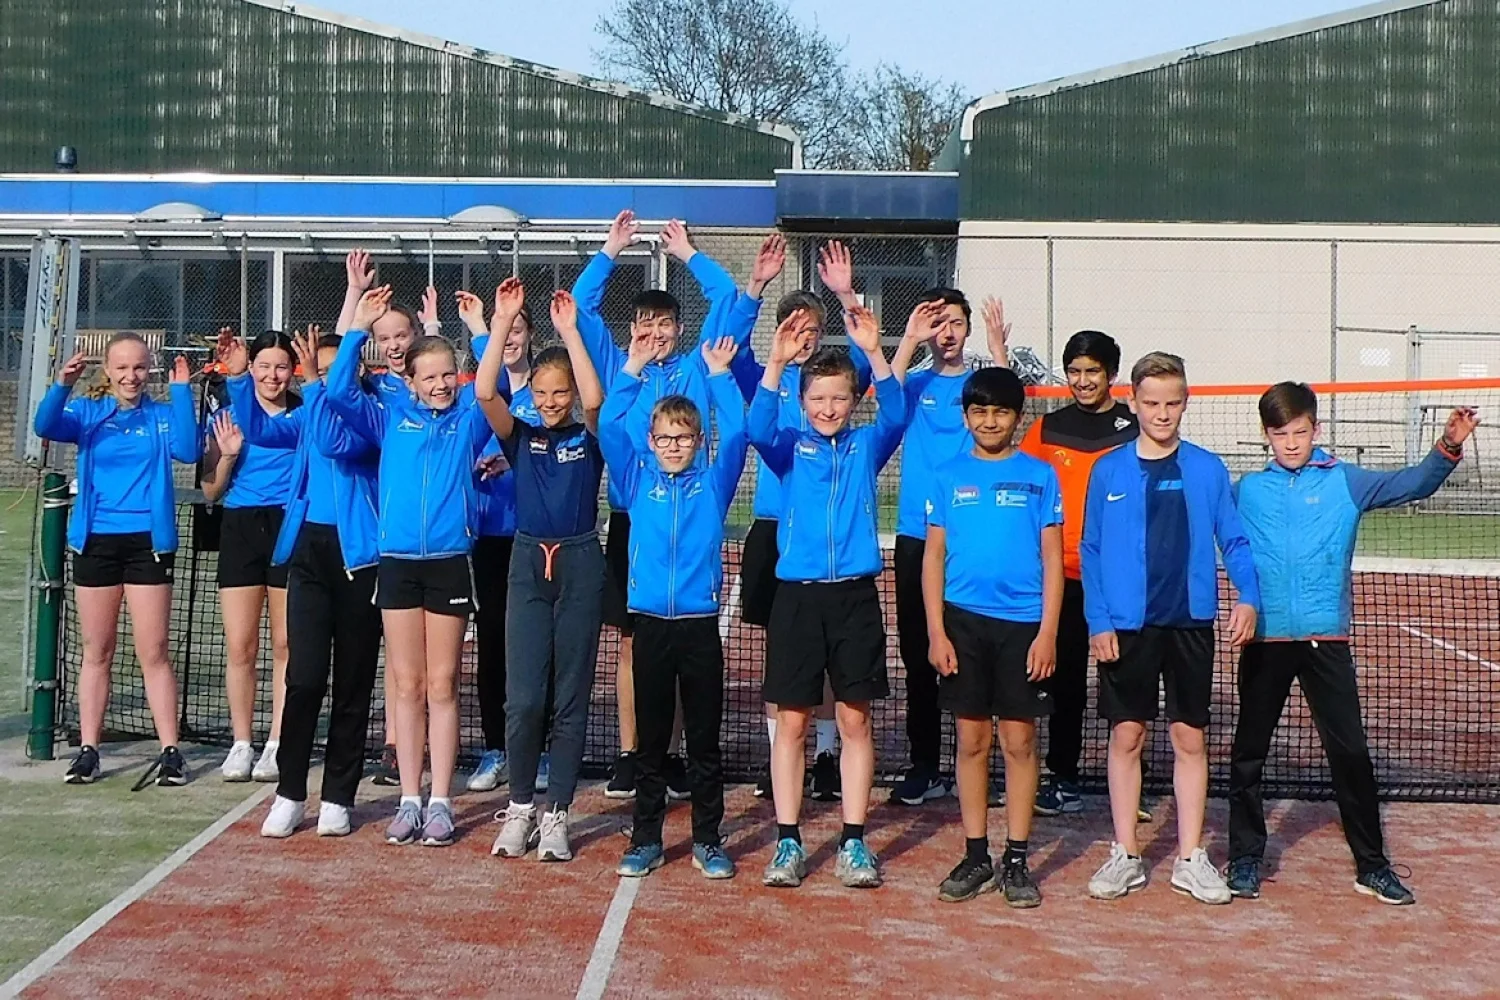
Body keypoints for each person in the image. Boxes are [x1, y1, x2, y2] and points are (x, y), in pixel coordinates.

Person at [1225, 384, 1479, 906]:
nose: (1291, 443)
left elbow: (1411, 484)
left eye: (1299, 432)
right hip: (1266, 639)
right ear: (1265, 435)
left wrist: (1447, 447)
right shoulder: (1247, 490)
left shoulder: (1345, 480)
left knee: (1351, 754)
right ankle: (1246, 858)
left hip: (1326, 641)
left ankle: (1372, 865)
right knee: (1248, 754)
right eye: (1280, 434)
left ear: (1315, 429)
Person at [571, 210, 755, 801]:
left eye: (665, 325)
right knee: (632, 644)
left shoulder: (699, 364)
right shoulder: (616, 358)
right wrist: (611, 247)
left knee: (686, 643)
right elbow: (579, 302)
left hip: (692, 520)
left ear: (679, 329)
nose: (655, 334)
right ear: (633, 329)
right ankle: (634, 752)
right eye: (645, 324)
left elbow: (726, 295)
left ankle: (673, 753)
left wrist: (687, 254)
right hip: (633, 518)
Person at [1081, 352, 1259, 905]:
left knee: (1189, 737)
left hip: (1189, 625)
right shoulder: (1108, 468)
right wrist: (1098, 620)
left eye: (1173, 403)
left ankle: (1188, 858)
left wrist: (1248, 597)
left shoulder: (1207, 469)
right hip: (1127, 629)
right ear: (1132, 401)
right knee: (1126, 735)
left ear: (1186, 402)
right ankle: (1127, 854)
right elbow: (1089, 548)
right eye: (1152, 403)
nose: (1162, 413)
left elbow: (1233, 539)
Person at [323, 285, 494, 847]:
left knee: (442, 684)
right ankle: (410, 799)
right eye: (430, 377)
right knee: (406, 683)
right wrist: (357, 328)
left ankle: (442, 802)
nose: (441, 385)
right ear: (410, 381)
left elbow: (494, 388)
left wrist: (482, 329)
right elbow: (338, 389)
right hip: (396, 564)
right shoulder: (388, 416)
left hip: (448, 564)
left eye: (449, 375)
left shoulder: (469, 420)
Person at [751, 304, 906, 890]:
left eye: (839, 399)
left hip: (855, 600)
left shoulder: (867, 444)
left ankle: (853, 842)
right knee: (790, 723)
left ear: (852, 399)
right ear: (804, 399)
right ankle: (788, 840)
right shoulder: (790, 445)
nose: (828, 409)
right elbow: (758, 428)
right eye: (817, 399)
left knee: (854, 720)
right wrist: (775, 362)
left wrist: (874, 350)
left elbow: (897, 410)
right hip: (798, 599)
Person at [605, 332, 748, 881]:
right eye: (664, 437)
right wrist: (633, 367)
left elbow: (736, 430)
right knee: (650, 740)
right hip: (650, 627)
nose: (672, 446)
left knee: (704, 740)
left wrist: (716, 375)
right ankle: (644, 838)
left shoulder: (712, 485)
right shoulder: (636, 479)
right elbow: (612, 428)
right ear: (652, 440)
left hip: (698, 627)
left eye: (683, 437)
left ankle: (708, 839)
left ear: (696, 441)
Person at [728, 240, 866, 804]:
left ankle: (829, 753)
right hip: (773, 530)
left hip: (828, 544)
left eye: (812, 327)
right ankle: (777, 753)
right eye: (793, 325)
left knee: (835, 657)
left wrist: (846, 294)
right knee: (777, 652)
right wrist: (756, 286)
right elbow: (730, 345)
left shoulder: (834, 381)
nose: (803, 334)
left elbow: (867, 347)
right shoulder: (763, 375)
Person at [924, 367, 1062, 908]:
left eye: (1001, 411)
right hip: (962, 624)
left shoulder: (1039, 475)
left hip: (1024, 625)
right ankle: (977, 853)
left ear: (1017, 417)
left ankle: (1017, 857)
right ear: (966, 417)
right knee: (972, 741)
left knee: (1020, 742)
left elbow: (1052, 557)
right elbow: (933, 556)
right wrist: (936, 631)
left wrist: (1048, 631)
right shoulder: (946, 475)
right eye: (979, 411)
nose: (989, 421)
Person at [479, 283, 606, 863]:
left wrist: (573, 333)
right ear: (531, 393)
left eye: (563, 393)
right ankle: (521, 807)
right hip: (528, 565)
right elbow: (484, 392)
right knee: (525, 698)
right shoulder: (521, 437)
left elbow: (597, 397)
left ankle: (557, 814)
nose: (554, 401)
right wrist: (503, 321)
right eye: (544, 392)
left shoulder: (589, 436)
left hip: (580, 563)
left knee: (569, 697)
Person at [39, 335, 200, 786]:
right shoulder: (89, 415)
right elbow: (44, 425)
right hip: (97, 544)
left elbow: (188, 449)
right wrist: (61, 385)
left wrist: (182, 390)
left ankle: (171, 751)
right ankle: (89, 750)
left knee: (154, 652)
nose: (131, 377)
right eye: (122, 368)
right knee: (98, 651)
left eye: (139, 368)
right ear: (107, 370)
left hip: (147, 543)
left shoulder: (161, 416)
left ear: (150, 370)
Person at [245, 330, 384, 840]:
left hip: (358, 558)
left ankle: (339, 796)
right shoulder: (309, 411)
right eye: (318, 370)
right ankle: (289, 791)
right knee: (303, 678)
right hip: (307, 553)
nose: (323, 377)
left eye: (334, 369)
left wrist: (319, 384)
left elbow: (331, 439)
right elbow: (259, 426)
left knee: (352, 682)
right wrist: (243, 376)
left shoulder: (369, 417)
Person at [1017, 330, 1146, 819]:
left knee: (1126, 678)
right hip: (1063, 576)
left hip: (1120, 576)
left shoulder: (1135, 429)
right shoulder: (1046, 430)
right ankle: (1063, 776)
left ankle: (1131, 781)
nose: (1083, 380)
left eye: (1093, 371)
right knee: (1064, 679)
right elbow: (1025, 489)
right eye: (1074, 371)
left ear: (1111, 374)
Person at [889, 289, 1009, 807]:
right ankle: (924, 765)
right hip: (918, 537)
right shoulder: (912, 386)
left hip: (973, 536)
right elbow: (885, 398)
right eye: (938, 323)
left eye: (955, 322)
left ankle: (985, 766)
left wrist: (998, 347)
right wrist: (907, 339)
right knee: (920, 655)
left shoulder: (979, 390)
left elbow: (1008, 406)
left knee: (981, 654)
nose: (948, 332)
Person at [336, 248, 419, 785]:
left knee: (422, 664)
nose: (392, 346)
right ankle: (391, 744)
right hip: (378, 535)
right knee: (382, 651)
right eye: (382, 338)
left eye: (400, 336)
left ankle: (407, 745)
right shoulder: (372, 390)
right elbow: (334, 380)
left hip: (433, 540)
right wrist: (354, 299)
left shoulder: (436, 387)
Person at [201, 330, 298, 784]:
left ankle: (277, 742)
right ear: (251, 368)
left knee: (285, 644)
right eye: (263, 366)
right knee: (240, 644)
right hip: (240, 526)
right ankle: (242, 742)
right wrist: (228, 457)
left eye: (281, 366)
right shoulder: (227, 414)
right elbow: (210, 489)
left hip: (288, 526)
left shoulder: (302, 414)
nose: (272, 375)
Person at [464, 297, 540, 795]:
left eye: (516, 328)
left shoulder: (551, 387)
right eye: (500, 330)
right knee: (492, 644)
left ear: (530, 335)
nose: (509, 336)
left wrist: (517, 461)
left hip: (537, 538)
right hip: (489, 539)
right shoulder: (479, 393)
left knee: (538, 647)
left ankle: (543, 748)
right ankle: (496, 747)